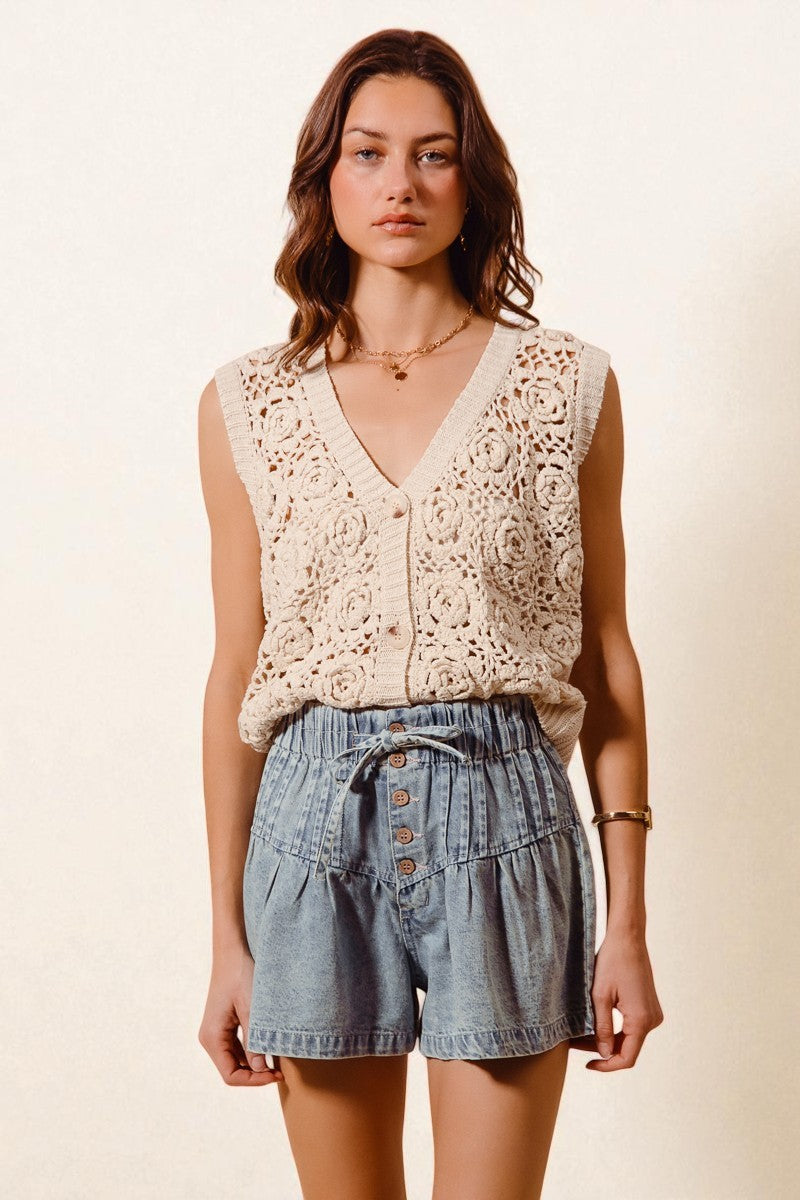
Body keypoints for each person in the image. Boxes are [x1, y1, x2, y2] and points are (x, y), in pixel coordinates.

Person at [197, 27, 663, 1200]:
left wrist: (627, 923)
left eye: (432, 154)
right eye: (367, 153)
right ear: (326, 178)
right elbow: (234, 675)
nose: (398, 184)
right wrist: (223, 939)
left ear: (475, 180)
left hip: (502, 815)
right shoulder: (245, 404)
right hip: (308, 830)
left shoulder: (566, 386)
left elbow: (604, 659)